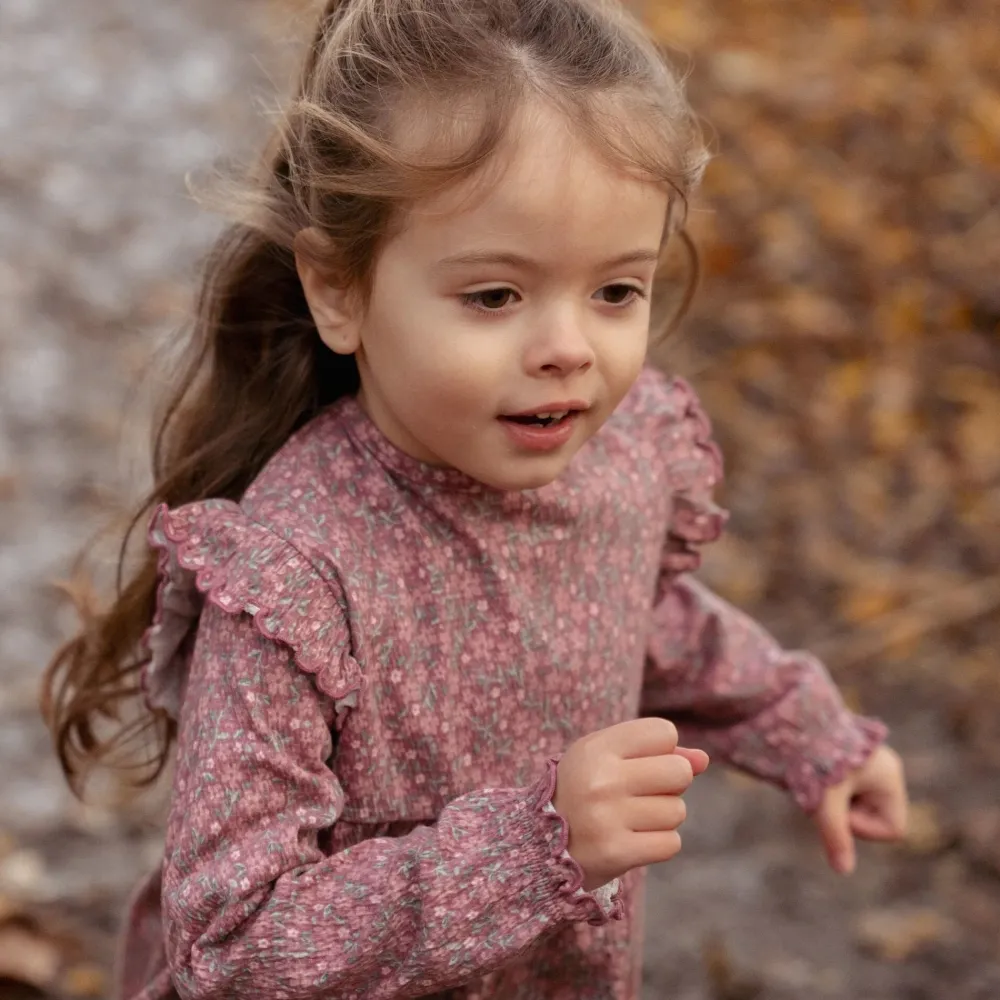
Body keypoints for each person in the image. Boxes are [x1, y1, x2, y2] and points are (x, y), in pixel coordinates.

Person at [42, 1, 909, 997]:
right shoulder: (297, 574)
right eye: (495, 295)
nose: (567, 348)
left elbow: (643, 618)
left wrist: (807, 731)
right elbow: (229, 939)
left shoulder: (617, 460)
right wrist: (533, 848)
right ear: (339, 290)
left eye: (616, 291)